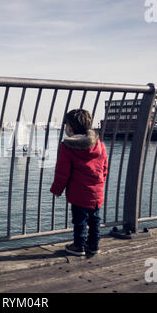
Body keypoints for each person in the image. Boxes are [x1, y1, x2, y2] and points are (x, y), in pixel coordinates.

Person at [50, 109, 108, 256]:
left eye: (66, 125)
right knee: (95, 220)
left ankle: (79, 246)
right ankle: (94, 245)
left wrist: (57, 190)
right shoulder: (99, 145)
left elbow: (62, 172)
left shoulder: (67, 147)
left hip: (78, 193)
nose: (65, 128)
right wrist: (100, 182)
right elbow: (104, 167)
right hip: (97, 192)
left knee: (79, 220)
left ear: (71, 128)